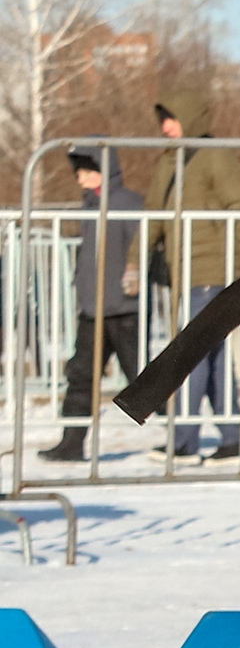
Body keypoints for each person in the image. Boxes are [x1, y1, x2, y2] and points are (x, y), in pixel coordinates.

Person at [144, 93, 240, 461]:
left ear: (189, 116)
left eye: (171, 117)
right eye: (163, 120)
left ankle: (184, 440)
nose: (166, 127)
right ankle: (235, 439)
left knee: (191, 353)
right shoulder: (169, 160)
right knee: (212, 355)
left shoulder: (215, 155)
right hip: (184, 272)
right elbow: (153, 216)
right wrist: (134, 261)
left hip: (211, 270)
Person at [40, 152, 144, 464]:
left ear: (105, 169)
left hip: (123, 307)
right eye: (79, 173)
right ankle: (71, 443)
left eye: (87, 171)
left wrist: (135, 274)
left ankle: (182, 437)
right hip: (92, 309)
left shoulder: (129, 203)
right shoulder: (89, 204)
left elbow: (142, 245)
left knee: (143, 379)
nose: (81, 179)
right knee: (81, 376)